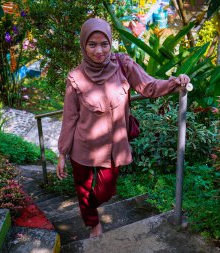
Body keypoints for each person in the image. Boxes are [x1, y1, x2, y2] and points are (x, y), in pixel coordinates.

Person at [56, 18, 190, 238]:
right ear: (83, 45)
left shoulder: (122, 65)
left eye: (104, 44)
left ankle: (91, 207)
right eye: (92, 44)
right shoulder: (75, 78)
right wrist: (62, 153)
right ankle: (92, 223)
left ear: (110, 43)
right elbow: (70, 117)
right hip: (82, 148)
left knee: (105, 192)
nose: (99, 51)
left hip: (113, 147)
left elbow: (148, 86)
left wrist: (176, 82)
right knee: (83, 191)